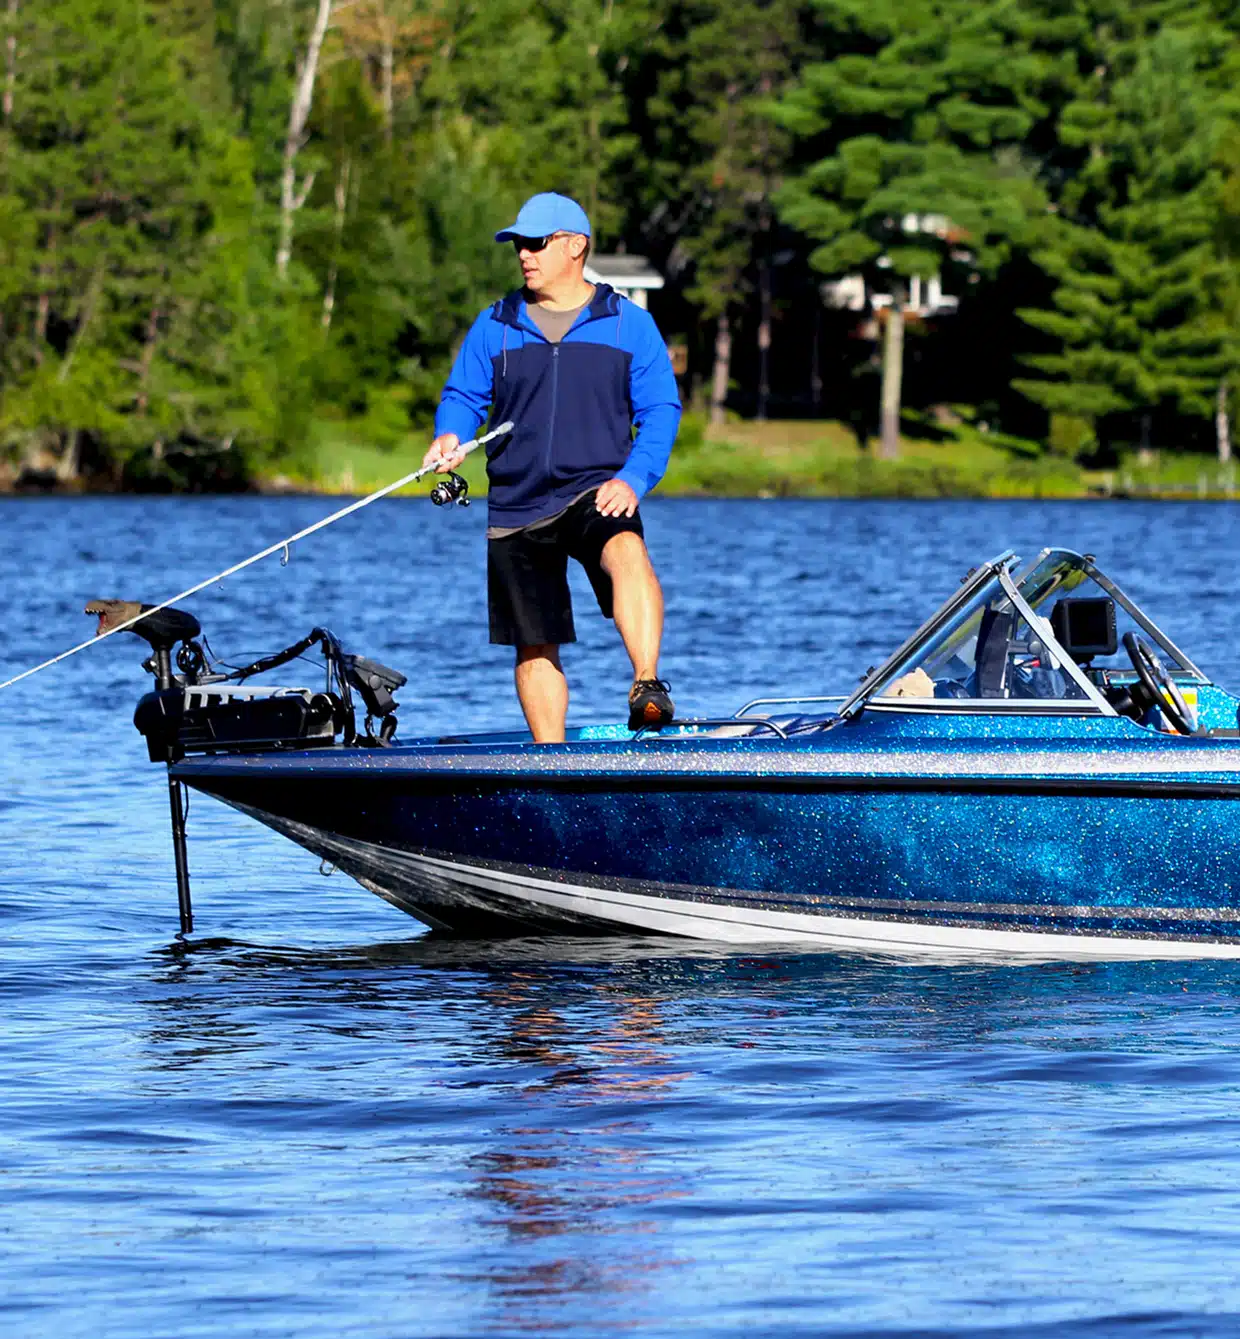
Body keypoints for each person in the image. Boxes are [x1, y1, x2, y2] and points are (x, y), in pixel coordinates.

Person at [424, 192, 682, 743]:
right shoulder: (495, 323)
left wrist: (634, 478)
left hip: (596, 486)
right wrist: (450, 435)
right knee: (534, 639)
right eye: (519, 244)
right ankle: (552, 761)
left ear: (575, 246)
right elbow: (463, 397)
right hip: (517, 500)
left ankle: (646, 686)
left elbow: (660, 411)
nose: (524, 254)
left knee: (627, 550)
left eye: (536, 243)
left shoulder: (627, 325)